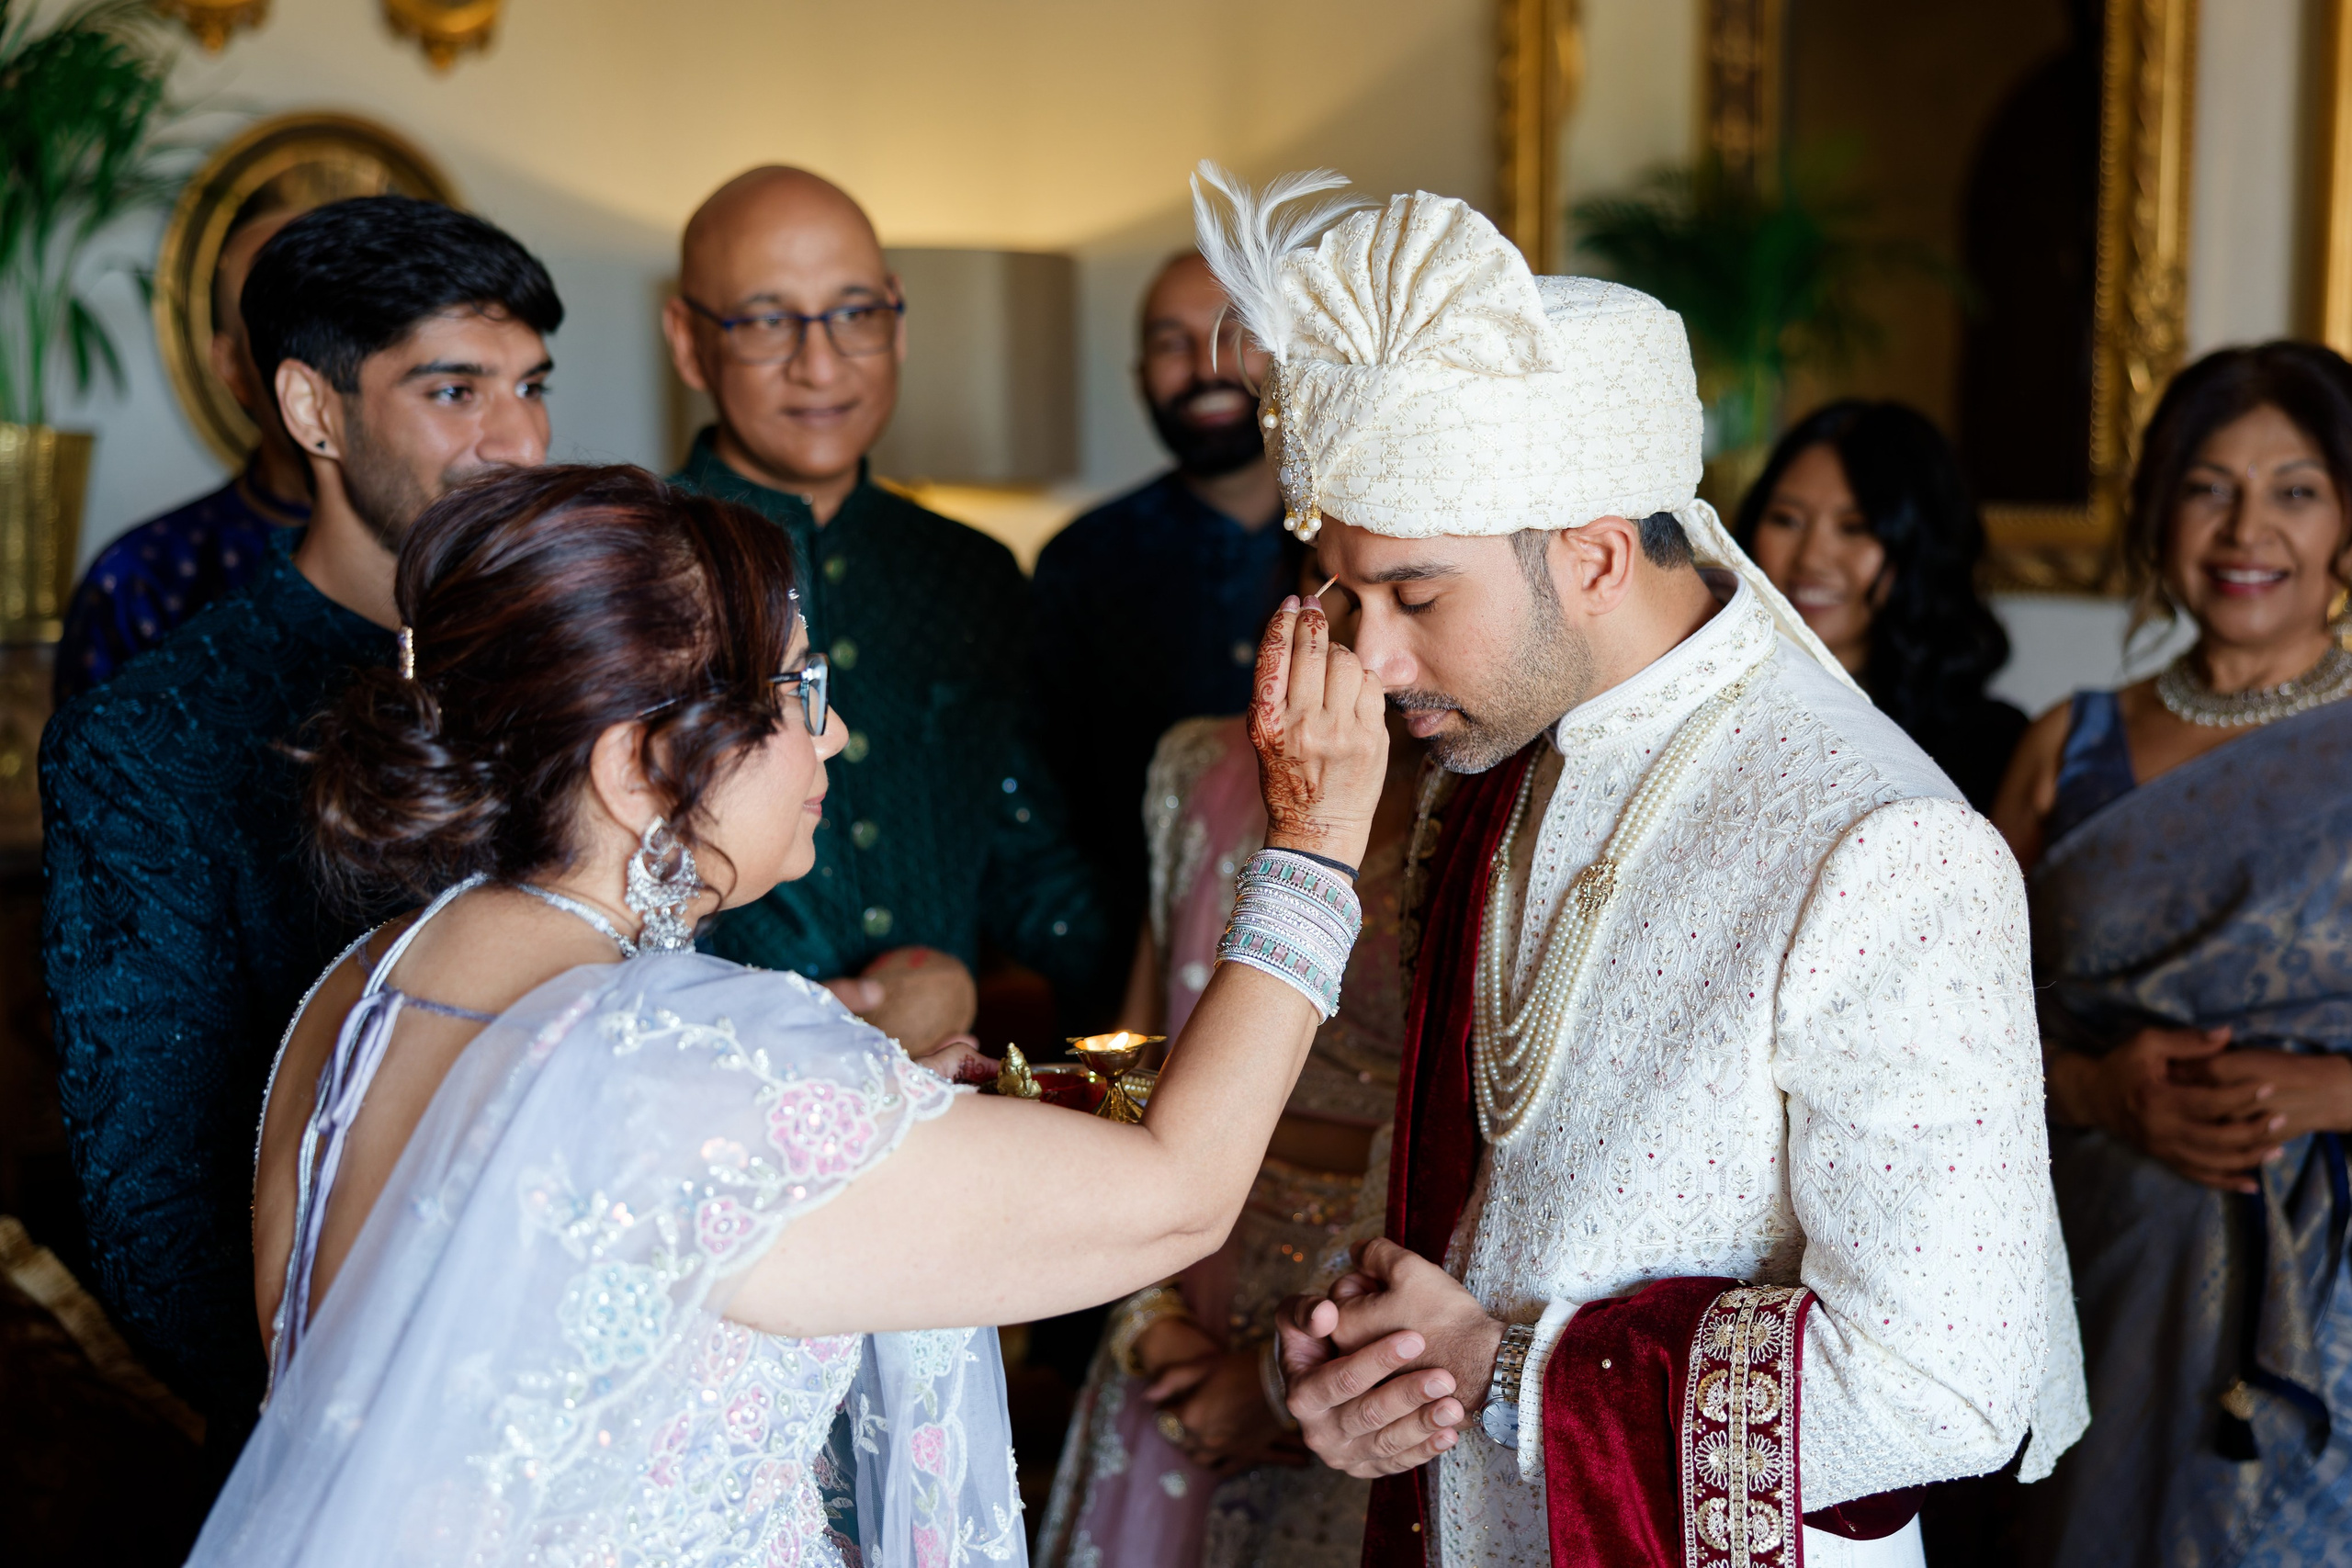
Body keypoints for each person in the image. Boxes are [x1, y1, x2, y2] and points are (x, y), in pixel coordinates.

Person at [183, 461, 1390, 1566]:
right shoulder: (697, 1060)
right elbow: (1177, 1194)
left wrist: (864, 1117)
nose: (838, 730)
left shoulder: (359, 987)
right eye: (801, 686)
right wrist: (1317, 842)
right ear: (636, 763)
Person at [1180, 167, 2086, 1568]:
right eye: (1347, 596)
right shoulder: (1496, 760)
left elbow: (1945, 1383)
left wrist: (1507, 1369)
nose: (1372, 656)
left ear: (1600, 557)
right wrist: (1367, 1372)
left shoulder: (1883, 845)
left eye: (1418, 595)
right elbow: (1457, 1200)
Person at [40, 194, 559, 1480]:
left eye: (531, 384)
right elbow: (157, 1217)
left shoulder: (579, 677)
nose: (516, 439)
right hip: (343, 1442)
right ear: (314, 411)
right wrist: (418, 1420)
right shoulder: (148, 740)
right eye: (453, 389)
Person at [1993, 340, 2352, 1567]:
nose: (2249, 527)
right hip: (2088, 1273)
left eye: (2296, 489)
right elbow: (1934, 1026)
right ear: (2161, 512)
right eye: (2210, 485)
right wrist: (2097, 1087)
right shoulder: (2067, 744)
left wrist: (2326, 1090)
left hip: (2331, 1294)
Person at [662, 165, 1112, 1050]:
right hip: (705, 1084)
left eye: (854, 313)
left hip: (945, 1093)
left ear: (897, 320)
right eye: (765, 320)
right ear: (688, 340)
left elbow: (1027, 856)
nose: (820, 363)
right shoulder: (630, 562)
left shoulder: (972, 573)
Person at [1038, 554, 1419, 1568]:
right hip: (1176, 1266)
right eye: (1330, 582)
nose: (1361, 635)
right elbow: (1130, 1059)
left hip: (1370, 1307)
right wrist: (1146, 1314)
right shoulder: (1200, 770)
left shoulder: (1486, 807)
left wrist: (1271, 1382)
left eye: (1411, 594)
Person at [1032, 252, 1303, 941]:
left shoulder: (1363, 543)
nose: (1205, 367)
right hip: (1135, 955)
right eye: (1170, 343)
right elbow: (1043, 790)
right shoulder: (1083, 562)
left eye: (1231, 331)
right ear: (1140, 377)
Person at [54, 197, 311, 704]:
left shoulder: (453, 560)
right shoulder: (140, 581)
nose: (324, 361)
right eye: (282, 329)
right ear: (232, 366)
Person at [1733, 400, 2027, 810]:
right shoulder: (1714, 706)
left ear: (1921, 547)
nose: (1811, 559)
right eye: (1786, 519)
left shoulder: (1986, 743)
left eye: (1856, 528)